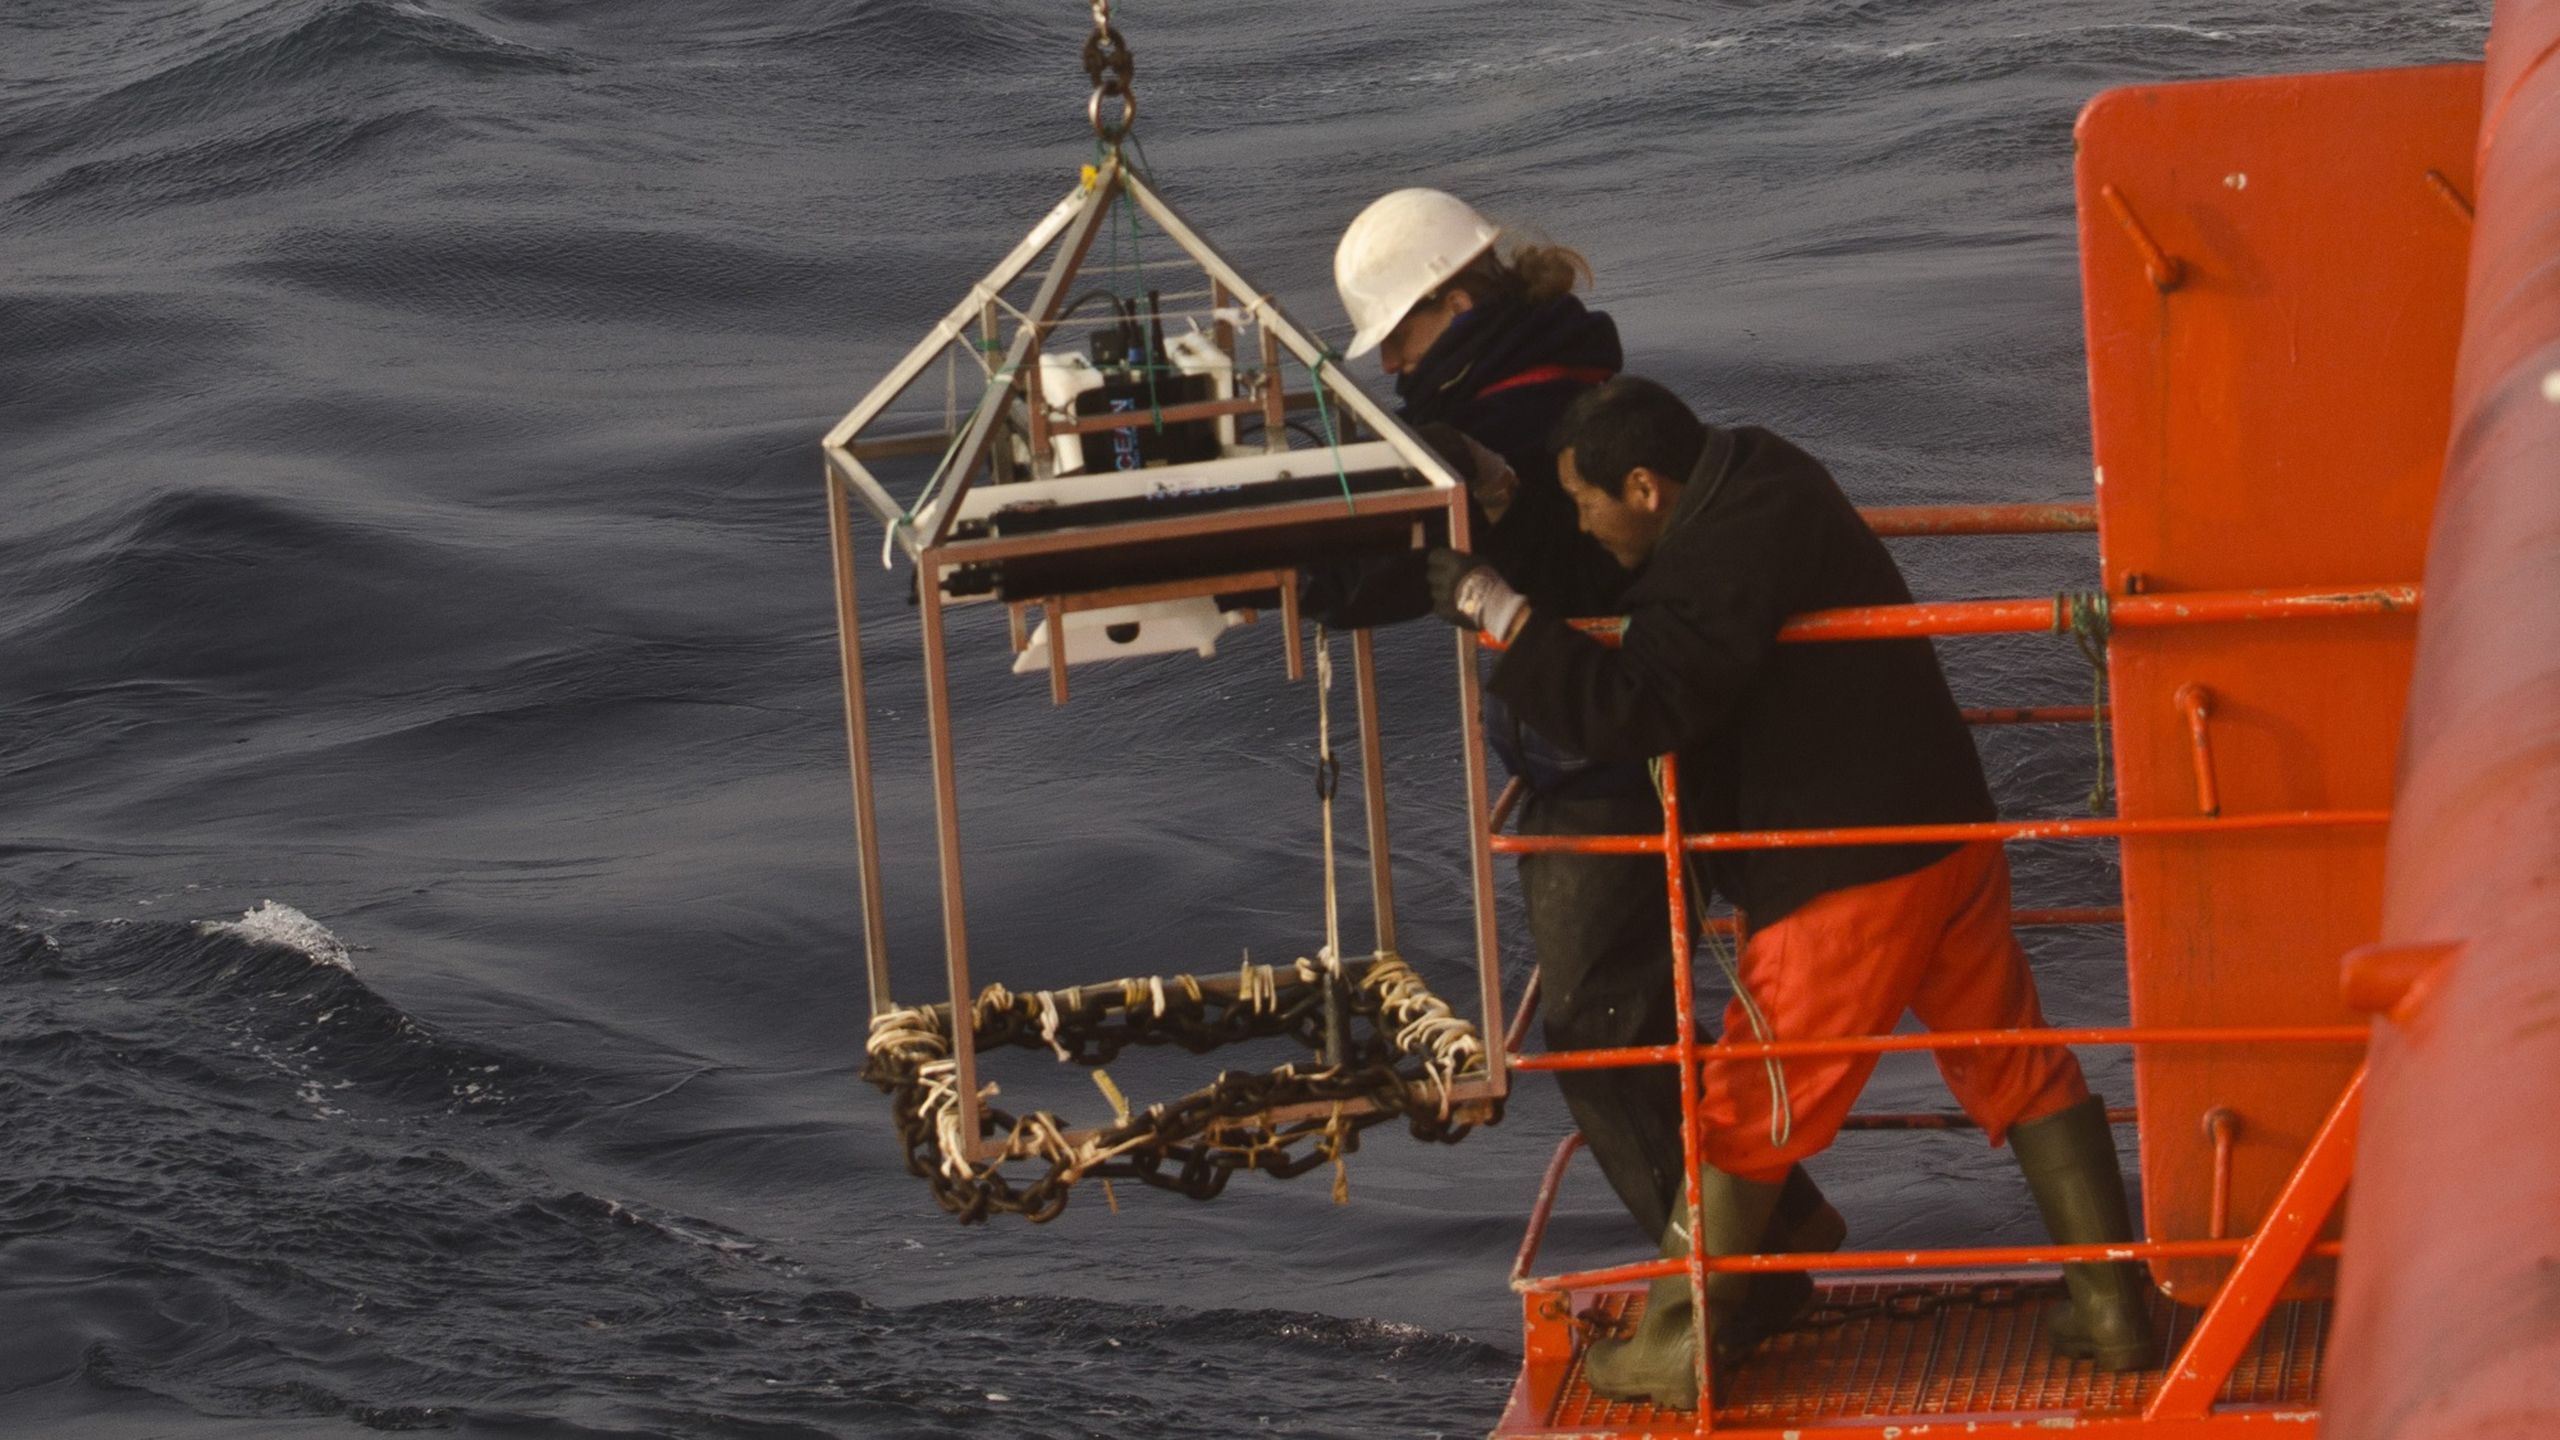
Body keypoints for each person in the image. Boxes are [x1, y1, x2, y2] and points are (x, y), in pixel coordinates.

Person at [1424, 376, 2157, 1407]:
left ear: (1645, 488)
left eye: (1586, 504)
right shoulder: (1762, 471)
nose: (1583, 525)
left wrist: (1495, 611)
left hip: (1847, 872)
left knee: (1753, 1099)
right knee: (2015, 1061)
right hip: (1943, 832)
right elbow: (1681, 627)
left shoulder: (1722, 555)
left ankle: (1675, 1345)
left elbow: (1641, 708)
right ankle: (2114, 1305)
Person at [1326, 191, 1846, 1340]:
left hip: (1606, 755)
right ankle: (1772, 1232)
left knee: (1605, 1032)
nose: (1395, 367)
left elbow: (1427, 561)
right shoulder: (1557, 377)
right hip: (1623, 741)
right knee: (1634, 1023)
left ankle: (1732, 1293)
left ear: (1453, 303)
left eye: (1399, 338)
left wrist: (1304, 563)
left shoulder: (1513, 418)